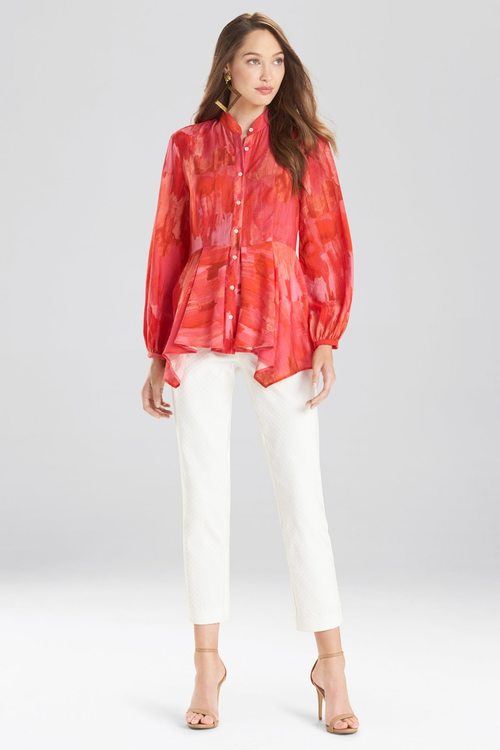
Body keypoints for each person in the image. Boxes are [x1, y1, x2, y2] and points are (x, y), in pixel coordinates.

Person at [140, 12, 359, 735]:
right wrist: (156, 350)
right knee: (202, 496)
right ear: (227, 68)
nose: (268, 74)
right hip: (199, 324)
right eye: (253, 60)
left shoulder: (304, 146)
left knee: (303, 496)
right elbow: (169, 244)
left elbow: (325, 240)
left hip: (281, 327)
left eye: (277, 62)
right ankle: (207, 665)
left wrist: (326, 335)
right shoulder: (188, 145)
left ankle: (332, 666)